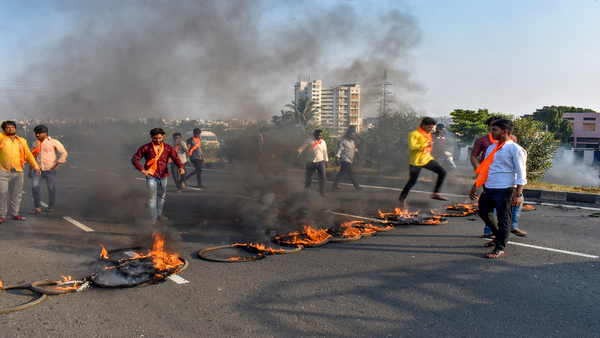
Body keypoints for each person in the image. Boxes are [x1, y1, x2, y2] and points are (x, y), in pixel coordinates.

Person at [469, 119, 527, 259]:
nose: (491, 132)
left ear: (504, 131)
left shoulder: (515, 149)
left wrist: (518, 194)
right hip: (489, 187)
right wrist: (476, 185)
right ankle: (499, 236)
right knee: (484, 213)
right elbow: (485, 169)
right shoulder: (491, 148)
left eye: (494, 130)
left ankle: (500, 247)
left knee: (503, 219)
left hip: (505, 188)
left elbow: (521, 173)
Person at [132, 128, 184, 222]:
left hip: (163, 175)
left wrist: (180, 167)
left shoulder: (168, 148)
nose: (158, 140)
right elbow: (135, 159)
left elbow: (176, 158)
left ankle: (159, 214)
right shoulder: (146, 148)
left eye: (160, 138)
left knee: (161, 196)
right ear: (151, 137)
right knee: (152, 197)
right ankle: (153, 217)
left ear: (163, 137)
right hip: (151, 175)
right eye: (155, 138)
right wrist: (142, 170)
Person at [398, 117, 447, 209]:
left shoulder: (428, 134)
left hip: (427, 159)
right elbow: (412, 147)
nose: (431, 129)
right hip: (416, 162)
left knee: (442, 172)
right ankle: (402, 198)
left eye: (432, 128)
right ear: (423, 125)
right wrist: (426, 144)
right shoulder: (414, 134)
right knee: (412, 181)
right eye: (429, 127)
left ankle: (436, 193)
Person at [0, 121, 41, 223]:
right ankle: (2, 215)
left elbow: (28, 155)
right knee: (2, 193)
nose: (11, 129)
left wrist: (35, 166)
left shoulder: (22, 141)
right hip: (3, 171)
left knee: (16, 194)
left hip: (18, 171)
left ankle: (15, 213)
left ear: (15, 128)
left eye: (13, 127)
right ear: (3, 130)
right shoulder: (1, 138)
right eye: (8, 128)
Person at [28, 125, 68, 213]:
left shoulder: (54, 142)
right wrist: (30, 169)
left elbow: (63, 153)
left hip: (50, 170)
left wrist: (57, 165)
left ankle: (51, 206)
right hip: (38, 169)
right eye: (36, 133)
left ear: (46, 133)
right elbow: (33, 157)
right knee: (35, 187)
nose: (37, 135)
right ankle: (37, 207)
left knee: (51, 188)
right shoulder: (35, 143)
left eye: (39, 133)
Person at [297, 129, 329, 196]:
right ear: (314, 134)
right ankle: (306, 189)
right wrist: (298, 153)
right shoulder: (309, 141)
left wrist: (326, 161)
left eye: (320, 135)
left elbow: (325, 152)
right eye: (317, 135)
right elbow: (301, 148)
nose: (319, 136)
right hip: (311, 161)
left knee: (323, 177)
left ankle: (322, 192)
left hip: (321, 161)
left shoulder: (323, 142)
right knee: (309, 176)